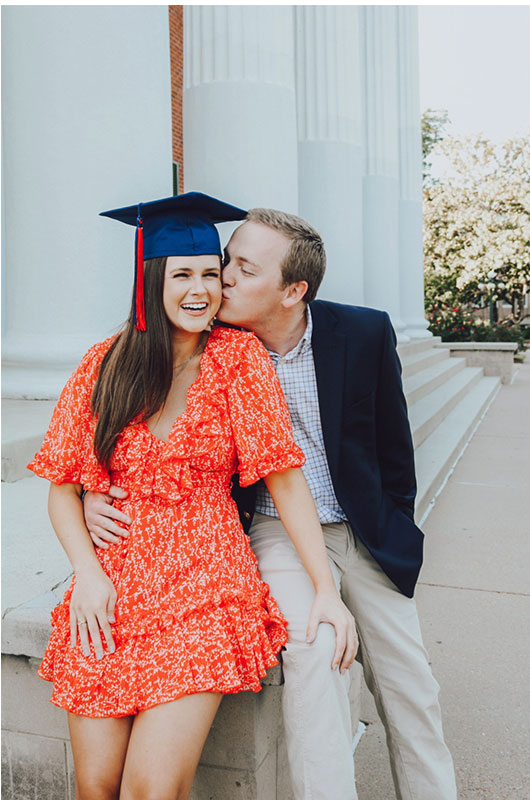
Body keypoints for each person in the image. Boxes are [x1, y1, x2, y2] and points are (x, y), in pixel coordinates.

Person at [85, 206, 458, 800]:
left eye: (241, 269)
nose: (221, 278)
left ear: (293, 291)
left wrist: (395, 526)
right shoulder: (218, 345)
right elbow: (136, 422)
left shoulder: (361, 333)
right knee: (313, 653)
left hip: (364, 530)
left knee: (411, 684)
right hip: (274, 529)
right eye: (226, 260)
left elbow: (394, 446)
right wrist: (91, 493)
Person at [29, 193, 357, 800]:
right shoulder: (103, 365)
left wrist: (325, 591)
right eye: (182, 275)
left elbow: (285, 478)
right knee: (95, 787)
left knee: (150, 792)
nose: (201, 289)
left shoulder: (238, 360)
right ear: (150, 280)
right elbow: (62, 489)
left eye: (212, 273)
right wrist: (88, 574)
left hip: (204, 589)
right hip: (113, 588)